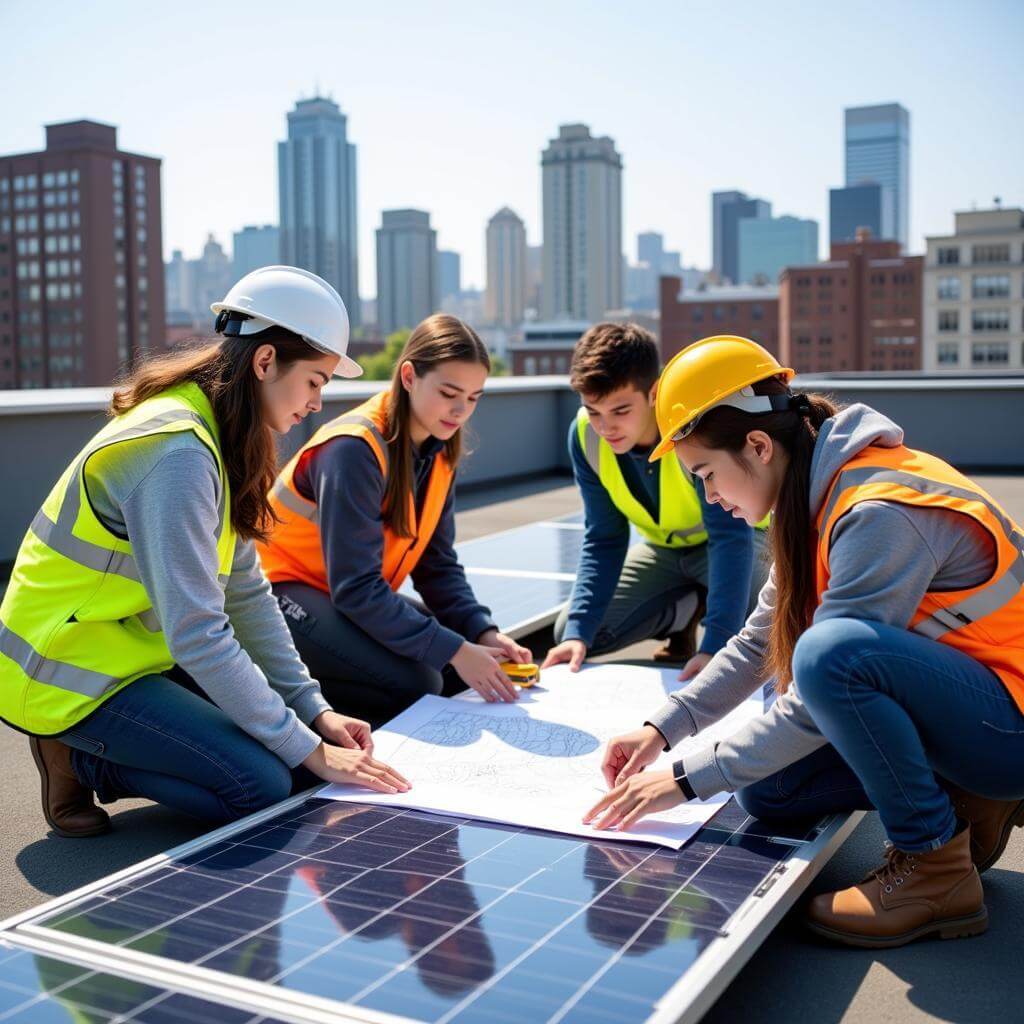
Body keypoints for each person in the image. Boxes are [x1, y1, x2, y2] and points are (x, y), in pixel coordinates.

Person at [585, 334, 1024, 947]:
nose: (710, 496)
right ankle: (963, 794)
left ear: (758, 445)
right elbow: (756, 641)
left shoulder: (875, 512)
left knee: (827, 655)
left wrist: (683, 780)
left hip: (1010, 728)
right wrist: (664, 729)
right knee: (771, 787)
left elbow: (833, 677)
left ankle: (935, 868)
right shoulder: (811, 497)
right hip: (971, 706)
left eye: (707, 474)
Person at [0, 265, 409, 838]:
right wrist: (310, 751)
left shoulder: (220, 433)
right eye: (316, 380)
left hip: (135, 652)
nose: (318, 402)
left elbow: (245, 592)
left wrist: (313, 713)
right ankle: (80, 758)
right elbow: (199, 632)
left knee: (287, 758)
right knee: (260, 784)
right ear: (266, 361)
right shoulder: (177, 453)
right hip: (67, 669)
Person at [258, 314, 531, 727]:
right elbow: (357, 590)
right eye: (449, 392)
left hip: (335, 592)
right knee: (419, 680)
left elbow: (436, 565)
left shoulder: (439, 450)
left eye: (473, 398)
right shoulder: (354, 449)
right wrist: (455, 649)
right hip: (273, 595)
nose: (460, 411)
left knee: (460, 664)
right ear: (408, 376)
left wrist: (481, 633)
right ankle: (293, 718)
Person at [543, 322, 768, 679]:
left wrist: (716, 646)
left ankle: (713, 613)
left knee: (773, 616)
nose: (605, 427)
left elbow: (729, 537)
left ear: (654, 392)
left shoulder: (690, 428)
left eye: (620, 410)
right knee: (575, 631)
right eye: (594, 410)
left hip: (742, 540)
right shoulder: (584, 436)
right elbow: (603, 538)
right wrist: (577, 633)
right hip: (666, 553)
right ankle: (687, 608)